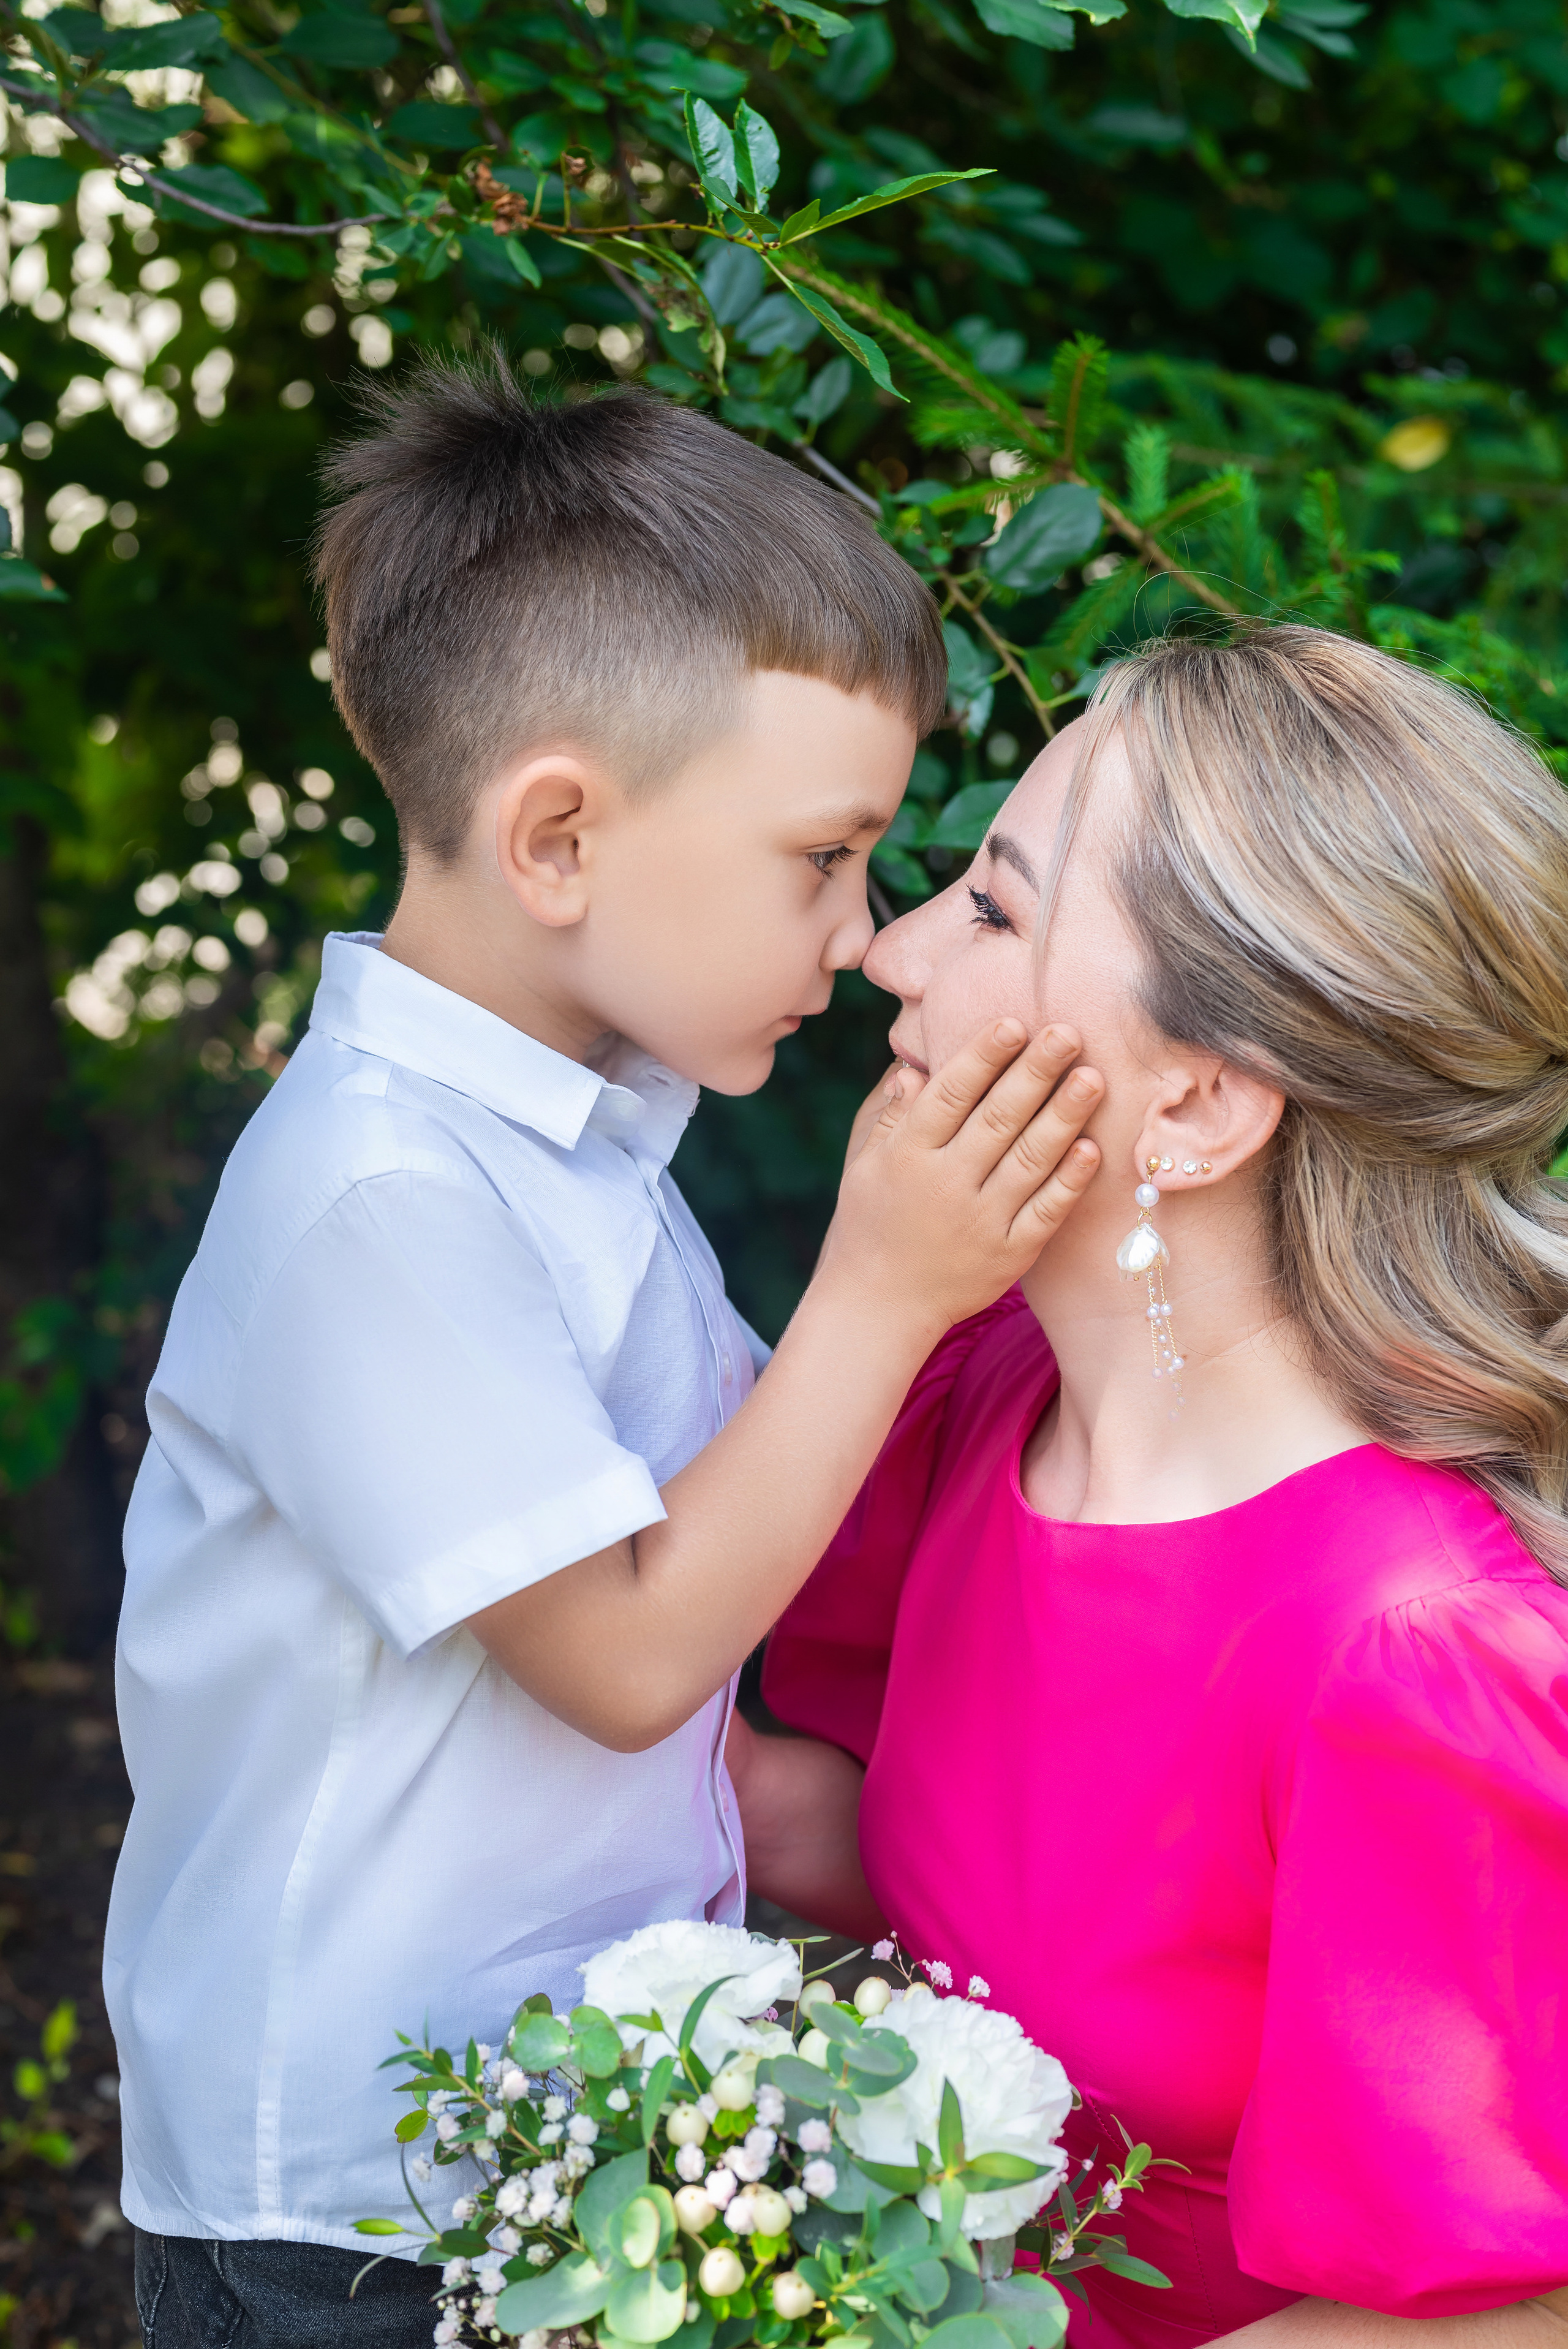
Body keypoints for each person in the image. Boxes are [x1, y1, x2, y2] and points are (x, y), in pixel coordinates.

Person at [108, 358, 1108, 2349]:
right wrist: (888, 1279)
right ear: (558, 836)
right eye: (820, 856)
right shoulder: (377, 1196)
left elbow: (788, 1534)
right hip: (347, 2213)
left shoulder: (579, 1150)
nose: (861, 932)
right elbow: (637, 1656)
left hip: (560, 2139)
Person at [735, 626, 1568, 2349]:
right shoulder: (979, 1399)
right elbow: (832, 1828)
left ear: (1195, 1100)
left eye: (993, 909)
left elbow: (1506, 2313)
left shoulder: (1416, 1650)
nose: (893, 947)